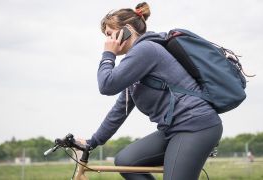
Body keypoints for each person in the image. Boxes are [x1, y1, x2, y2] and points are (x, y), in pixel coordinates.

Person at [81, 2, 223, 180]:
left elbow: (106, 85)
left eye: (109, 34)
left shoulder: (145, 50)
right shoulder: (135, 66)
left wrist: (108, 54)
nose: (107, 40)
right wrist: (92, 142)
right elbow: (119, 110)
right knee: (126, 161)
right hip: (173, 128)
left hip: (195, 125)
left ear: (126, 30)